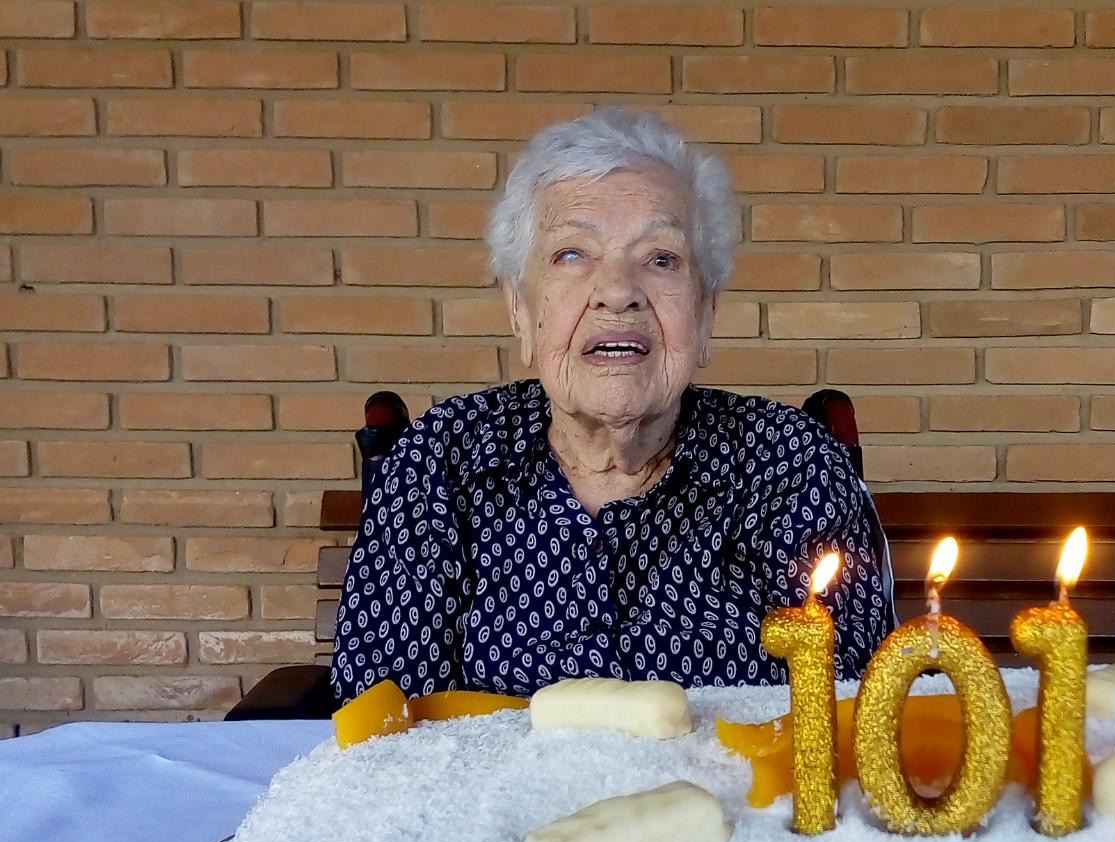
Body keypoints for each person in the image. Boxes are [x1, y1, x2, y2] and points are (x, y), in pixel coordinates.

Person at [330, 107, 893, 704]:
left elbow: (854, 716)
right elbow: (381, 727)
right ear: (520, 311)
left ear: (706, 314)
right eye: (571, 254)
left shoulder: (791, 464)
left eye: (661, 258)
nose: (619, 292)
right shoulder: (438, 463)